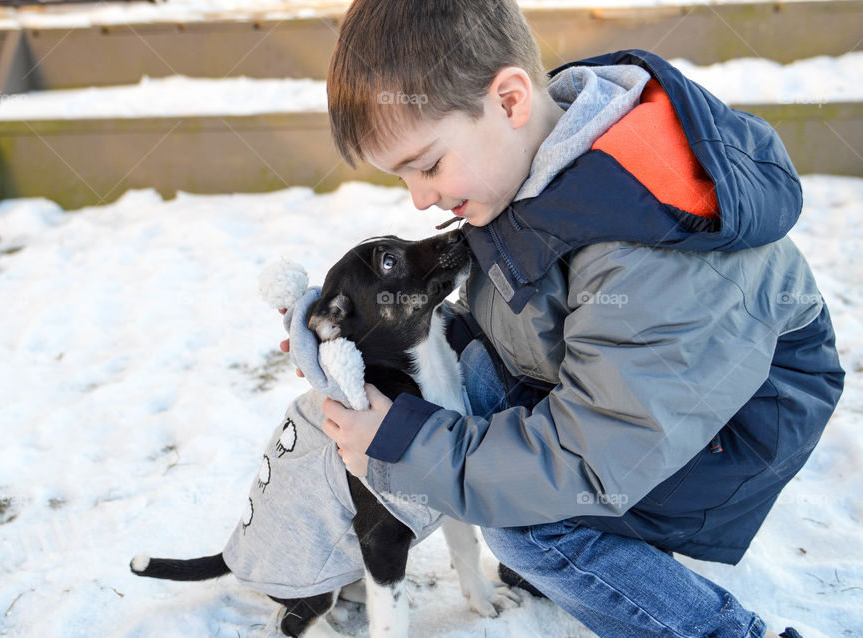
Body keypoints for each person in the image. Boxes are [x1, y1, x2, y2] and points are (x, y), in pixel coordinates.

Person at [292, 1, 845, 636]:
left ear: (508, 101)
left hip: (732, 429)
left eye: (428, 165)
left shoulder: (642, 254)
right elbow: (499, 323)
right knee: (468, 402)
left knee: (522, 524)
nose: (420, 199)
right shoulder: (525, 159)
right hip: (628, 391)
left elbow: (588, 458)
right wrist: (359, 337)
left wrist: (404, 446)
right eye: (404, 176)